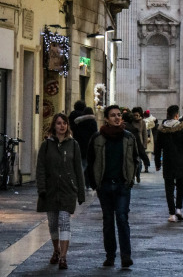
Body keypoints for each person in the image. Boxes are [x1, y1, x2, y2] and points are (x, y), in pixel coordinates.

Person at [87, 104, 138, 268]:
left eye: (119, 115)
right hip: (105, 185)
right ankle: (110, 256)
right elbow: (91, 160)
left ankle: (125, 256)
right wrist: (95, 183)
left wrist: (130, 179)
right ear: (107, 119)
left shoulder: (129, 137)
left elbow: (134, 158)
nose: (117, 118)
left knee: (122, 219)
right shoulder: (97, 138)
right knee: (108, 221)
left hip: (122, 185)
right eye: (113, 115)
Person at [36, 113, 85, 270]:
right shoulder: (46, 145)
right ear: (54, 126)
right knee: (52, 223)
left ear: (67, 126)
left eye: (64, 123)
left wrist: (81, 192)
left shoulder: (74, 145)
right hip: (50, 190)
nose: (62, 126)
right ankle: (56, 250)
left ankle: (63, 257)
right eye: (58, 123)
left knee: (64, 221)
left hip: (67, 190)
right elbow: (40, 168)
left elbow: (78, 169)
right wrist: (42, 188)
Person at [154, 104, 183, 222]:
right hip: (181, 161)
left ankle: (171, 214)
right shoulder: (182, 128)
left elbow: (157, 148)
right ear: (176, 115)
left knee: (169, 188)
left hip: (168, 161)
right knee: (180, 186)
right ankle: (179, 208)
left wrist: (157, 163)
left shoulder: (162, 129)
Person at [73, 105, 98, 189]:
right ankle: (86, 183)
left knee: (82, 165)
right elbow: (95, 134)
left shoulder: (78, 122)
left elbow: (75, 134)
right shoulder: (93, 122)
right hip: (89, 146)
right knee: (88, 166)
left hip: (80, 146)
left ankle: (81, 183)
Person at [122, 111, 149, 182]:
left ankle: (134, 176)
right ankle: (135, 176)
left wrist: (144, 144)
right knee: (137, 161)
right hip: (135, 146)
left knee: (135, 162)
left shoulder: (141, 123)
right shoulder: (132, 127)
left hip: (132, 147)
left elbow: (144, 134)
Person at [131, 107, 149, 172]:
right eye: (134, 115)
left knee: (143, 155)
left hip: (140, 142)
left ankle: (146, 166)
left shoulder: (143, 122)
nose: (135, 117)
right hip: (133, 142)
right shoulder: (131, 122)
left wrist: (144, 144)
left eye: (137, 115)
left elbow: (145, 134)